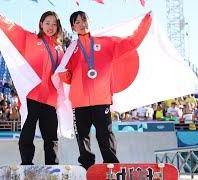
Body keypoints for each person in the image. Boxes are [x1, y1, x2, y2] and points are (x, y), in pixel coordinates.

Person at [59, 11, 151, 169]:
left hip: (101, 99)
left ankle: (111, 165)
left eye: (84, 20)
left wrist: (146, 22)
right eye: (77, 22)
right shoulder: (71, 49)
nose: (82, 24)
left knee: (105, 134)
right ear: (73, 28)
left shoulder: (106, 42)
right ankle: (87, 167)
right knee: (82, 136)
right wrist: (63, 74)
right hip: (79, 101)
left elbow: (131, 43)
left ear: (89, 21)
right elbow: (66, 75)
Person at [0, 0, 63, 165]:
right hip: (31, 95)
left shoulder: (59, 49)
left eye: (54, 24)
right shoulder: (29, 38)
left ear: (58, 27)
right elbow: (8, 26)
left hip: (50, 98)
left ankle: (53, 166)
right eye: (47, 23)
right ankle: (26, 163)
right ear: (41, 24)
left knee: (51, 135)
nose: (50, 26)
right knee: (28, 131)